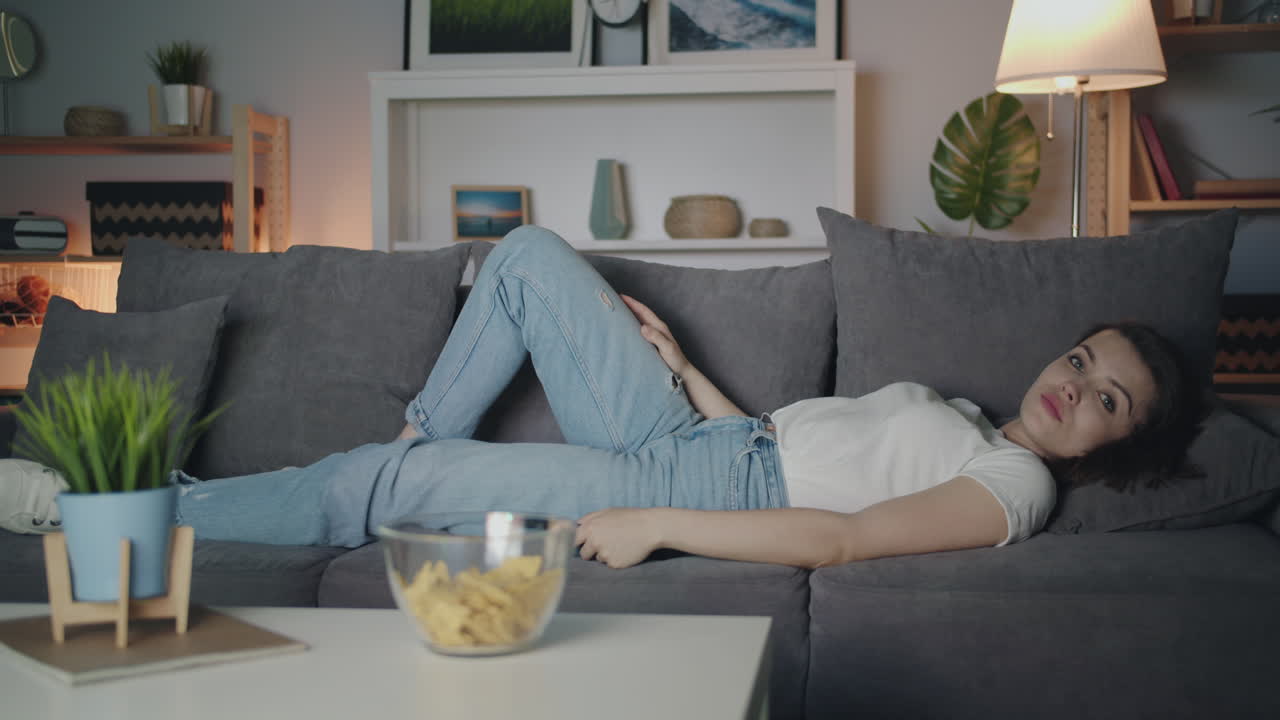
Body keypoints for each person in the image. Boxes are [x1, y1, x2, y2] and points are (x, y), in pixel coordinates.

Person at [0, 226, 1203, 569]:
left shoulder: (1013, 484)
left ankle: (88, 516)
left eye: (1109, 401)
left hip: (696, 490)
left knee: (381, 487)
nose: (1075, 390)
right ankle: (413, 443)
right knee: (526, 257)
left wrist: (655, 522)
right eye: (1080, 362)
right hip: (700, 436)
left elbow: (838, 538)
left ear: (1119, 446)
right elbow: (776, 438)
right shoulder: (962, 413)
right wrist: (676, 364)